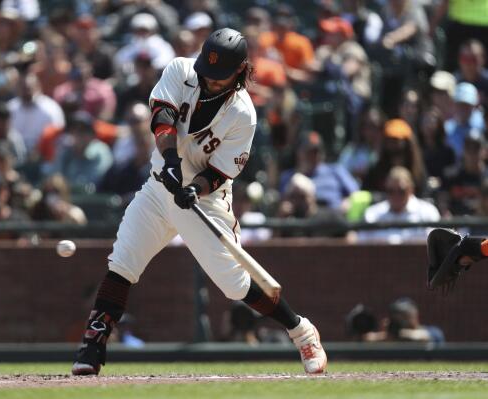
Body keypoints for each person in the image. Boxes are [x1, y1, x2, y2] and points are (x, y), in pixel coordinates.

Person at [72, 28, 327, 376]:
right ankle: (92, 346)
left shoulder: (243, 114)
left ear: (239, 71)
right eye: (206, 72)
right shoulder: (181, 70)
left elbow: (221, 173)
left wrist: (196, 188)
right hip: (159, 187)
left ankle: (300, 329)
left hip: (203, 202)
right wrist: (172, 163)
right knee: (123, 261)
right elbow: (162, 116)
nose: (209, 80)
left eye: (218, 76)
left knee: (234, 284)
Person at [358, 166, 440, 243]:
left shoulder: (428, 212)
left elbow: (435, 246)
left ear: (411, 189)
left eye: (401, 191)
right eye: (391, 191)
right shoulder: (372, 214)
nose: (396, 196)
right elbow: (362, 245)